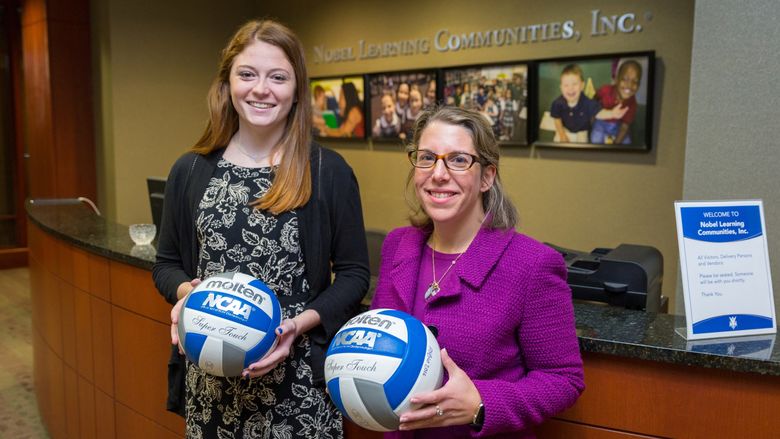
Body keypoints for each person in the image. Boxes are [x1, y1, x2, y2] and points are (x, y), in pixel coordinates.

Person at [152, 19, 370, 438]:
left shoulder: (326, 171)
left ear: (297, 90)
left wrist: (297, 325)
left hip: (299, 388)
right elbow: (165, 265)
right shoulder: (192, 169)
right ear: (227, 83)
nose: (261, 89)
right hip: (212, 387)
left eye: (278, 77)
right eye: (247, 74)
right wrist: (189, 296)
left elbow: (354, 274)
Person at [371, 106, 584, 438]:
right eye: (427, 157)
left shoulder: (532, 264)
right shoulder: (398, 245)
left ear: (487, 176)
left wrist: (481, 405)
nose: (438, 174)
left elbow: (562, 378)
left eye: (458, 160)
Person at [550, 64, 626, 143]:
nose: (570, 88)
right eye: (566, 85)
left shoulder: (587, 103)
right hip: (564, 129)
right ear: (561, 88)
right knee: (558, 144)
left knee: (582, 149)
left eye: (575, 84)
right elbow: (557, 119)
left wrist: (612, 113)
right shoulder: (557, 103)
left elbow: (599, 113)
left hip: (581, 131)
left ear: (582, 85)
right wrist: (562, 134)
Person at [590, 60, 642, 145]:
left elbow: (624, 127)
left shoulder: (632, 104)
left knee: (627, 142)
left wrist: (616, 145)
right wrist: (592, 117)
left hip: (618, 125)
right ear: (617, 79)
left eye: (635, 81)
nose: (629, 85)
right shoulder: (606, 90)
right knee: (595, 138)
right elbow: (595, 99)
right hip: (601, 122)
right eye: (625, 79)